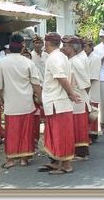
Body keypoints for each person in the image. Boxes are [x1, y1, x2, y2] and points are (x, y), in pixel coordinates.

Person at [0, 33, 42, 168]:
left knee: (11, 132)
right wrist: (42, 100)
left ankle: (10, 159)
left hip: (10, 104)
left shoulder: (1, 63)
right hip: (26, 103)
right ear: (22, 46)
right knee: (26, 131)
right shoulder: (28, 62)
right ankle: (24, 159)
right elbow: (36, 84)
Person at [38, 32, 80, 175]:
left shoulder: (54, 58)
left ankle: (66, 165)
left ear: (47, 44)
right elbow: (72, 77)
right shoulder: (62, 57)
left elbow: (62, 78)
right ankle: (55, 161)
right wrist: (71, 93)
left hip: (58, 103)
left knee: (60, 134)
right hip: (58, 103)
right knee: (55, 133)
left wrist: (72, 94)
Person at [61, 35, 91, 161]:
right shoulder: (71, 61)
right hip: (75, 99)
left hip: (78, 101)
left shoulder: (76, 62)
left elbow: (86, 83)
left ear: (72, 48)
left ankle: (81, 154)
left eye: (65, 46)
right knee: (74, 126)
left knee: (79, 127)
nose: (63, 48)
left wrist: (82, 97)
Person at [83, 38, 101, 143]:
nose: (84, 49)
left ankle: (92, 135)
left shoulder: (95, 58)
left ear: (91, 47)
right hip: (86, 87)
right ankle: (89, 135)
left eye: (86, 47)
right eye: (83, 47)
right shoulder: (85, 57)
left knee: (92, 111)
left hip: (91, 88)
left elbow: (93, 76)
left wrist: (85, 89)